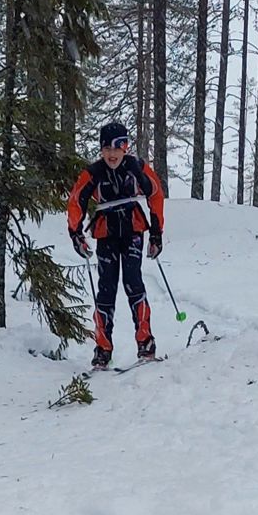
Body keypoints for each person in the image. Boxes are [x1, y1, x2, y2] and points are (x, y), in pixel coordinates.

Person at [67, 121, 165, 368]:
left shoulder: (136, 167)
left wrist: (156, 234)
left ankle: (145, 343)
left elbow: (155, 193)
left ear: (125, 147)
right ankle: (103, 348)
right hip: (106, 232)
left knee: (133, 282)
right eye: (106, 149)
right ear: (101, 150)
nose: (111, 155)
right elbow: (76, 201)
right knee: (106, 288)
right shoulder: (94, 172)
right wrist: (76, 234)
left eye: (117, 148)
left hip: (132, 229)